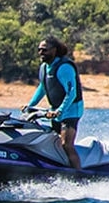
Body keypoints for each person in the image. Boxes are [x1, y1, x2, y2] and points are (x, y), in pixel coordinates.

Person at [26, 37, 86, 167]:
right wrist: (30, 105)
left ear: (54, 50)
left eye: (44, 50)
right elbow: (42, 88)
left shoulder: (64, 67)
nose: (41, 53)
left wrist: (60, 110)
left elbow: (71, 93)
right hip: (56, 110)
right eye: (39, 50)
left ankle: (79, 174)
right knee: (52, 141)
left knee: (66, 144)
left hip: (71, 110)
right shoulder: (44, 67)